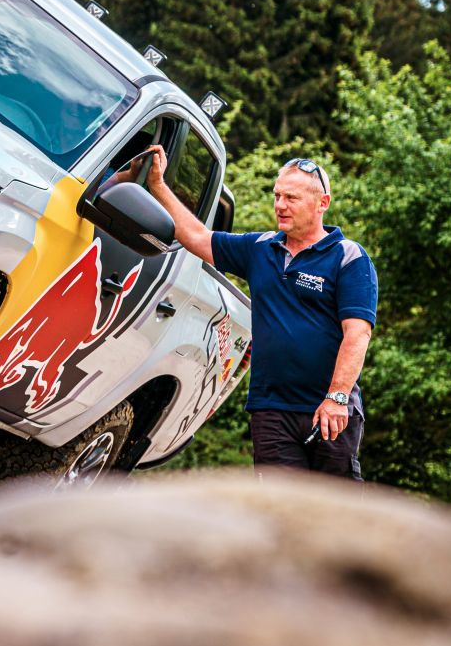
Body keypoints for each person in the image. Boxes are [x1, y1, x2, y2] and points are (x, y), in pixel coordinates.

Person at [143, 147, 378, 479]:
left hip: (329, 411)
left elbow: (358, 333)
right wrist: (158, 185)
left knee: (332, 518)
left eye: (291, 198)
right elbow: (196, 237)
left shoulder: (347, 256)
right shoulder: (259, 248)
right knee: (280, 512)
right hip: (270, 410)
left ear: (322, 204)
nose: (280, 205)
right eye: (277, 196)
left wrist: (337, 397)